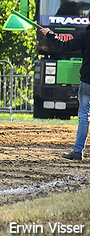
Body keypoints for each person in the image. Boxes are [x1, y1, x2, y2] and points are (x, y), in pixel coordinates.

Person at [41, 13, 90, 160]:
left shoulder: (85, 36)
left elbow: (65, 46)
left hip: (87, 82)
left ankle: (77, 151)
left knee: (84, 116)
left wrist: (50, 34)